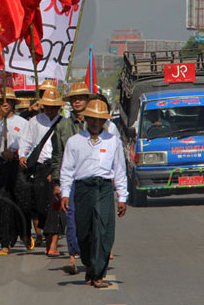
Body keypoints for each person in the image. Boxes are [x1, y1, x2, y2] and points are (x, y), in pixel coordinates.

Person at [59, 99, 128, 288]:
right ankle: (89, 265)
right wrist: (65, 193)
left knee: (103, 230)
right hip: (82, 189)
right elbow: (66, 170)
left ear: (104, 121)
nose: (96, 123)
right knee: (84, 232)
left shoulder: (113, 141)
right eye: (93, 119)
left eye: (100, 120)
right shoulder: (75, 141)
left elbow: (120, 170)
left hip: (104, 188)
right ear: (86, 119)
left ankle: (98, 273)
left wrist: (122, 197)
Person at [51, 82, 92, 274]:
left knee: (91, 219)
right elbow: (57, 156)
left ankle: (92, 255)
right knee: (70, 218)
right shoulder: (62, 127)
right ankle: (72, 257)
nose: (77, 101)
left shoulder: (99, 125)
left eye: (81, 98)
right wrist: (57, 184)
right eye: (74, 98)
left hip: (92, 179)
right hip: (71, 179)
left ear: (87, 101)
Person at [18, 88, 64, 257]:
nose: (51, 110)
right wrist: (23, 155)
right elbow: (26, 140)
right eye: (48, 106)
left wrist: (58, 172)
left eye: (54, 106)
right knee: (40, 204)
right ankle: (46, 233)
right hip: (40, 168)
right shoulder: (35, 121)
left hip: (58, 166)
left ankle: (53, 242)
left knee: (55, 205)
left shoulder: (63, 123)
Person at [0, 87, 31, 255]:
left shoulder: (22, 123)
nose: (5, 105)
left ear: (13, 104)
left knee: (23, 201)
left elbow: (28, 143)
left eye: (8, 102)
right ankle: (5, 242)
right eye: (1, 103)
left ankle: (24, 233)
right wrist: (0, 118)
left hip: (18, 163)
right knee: (3, 202)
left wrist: (18, 153)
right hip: (1, 163)